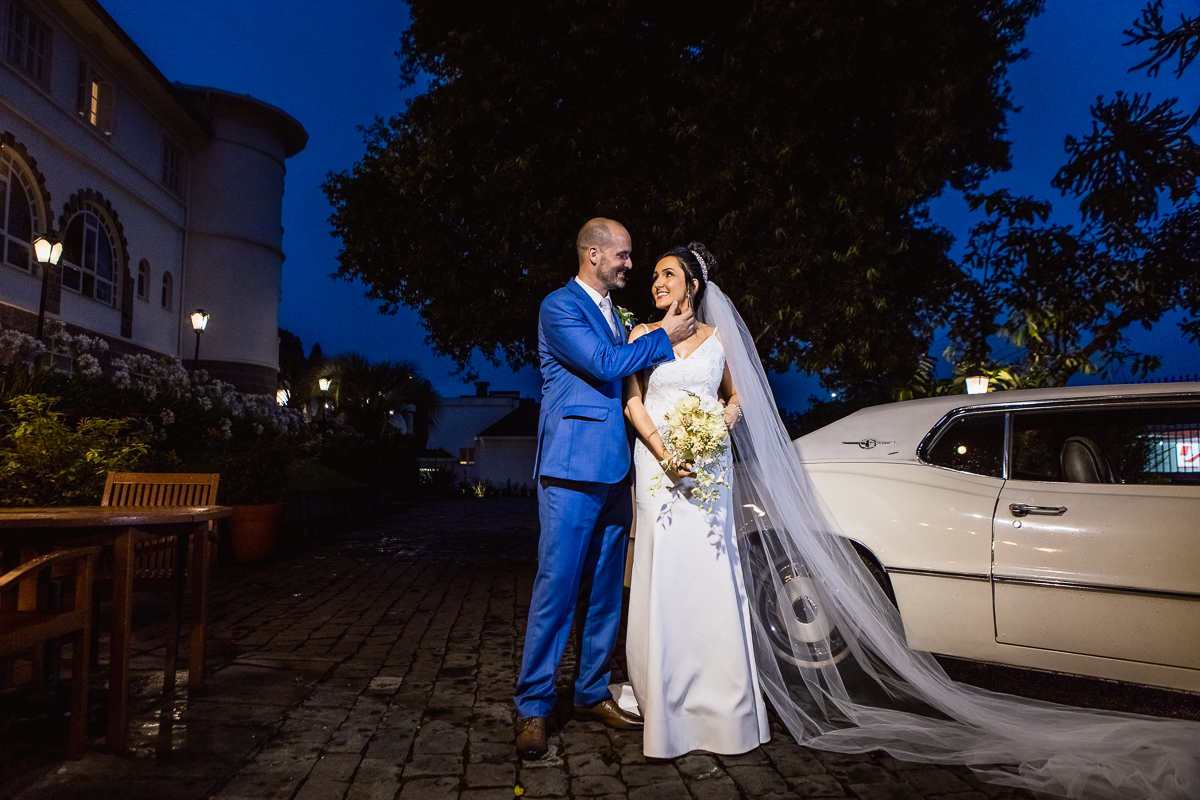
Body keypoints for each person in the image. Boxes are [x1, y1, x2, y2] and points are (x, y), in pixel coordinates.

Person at [622, 242, 1200, 798]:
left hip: (711, 470)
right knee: (669, 582)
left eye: (667, 273)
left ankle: (721, 710)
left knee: (712, 588)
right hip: (661, 471)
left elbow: (737, 397)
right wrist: (668, 452)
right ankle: (667, 706)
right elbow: (634, 399)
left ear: (693, 285)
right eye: (652, 275)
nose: (656, 282)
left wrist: (717, 429)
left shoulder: (720, 338)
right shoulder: (643, 335)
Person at [514, 218, 698, 760]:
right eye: (622, 255)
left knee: (603, 595)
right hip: (571, 469)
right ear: (594, 256)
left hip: (618, 471)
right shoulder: (559, 306)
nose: (629, 264)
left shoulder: (616, 316)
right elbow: (602, 364)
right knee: (557, 590)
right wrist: (667, 337)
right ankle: (533, 706)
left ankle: (592, 691)